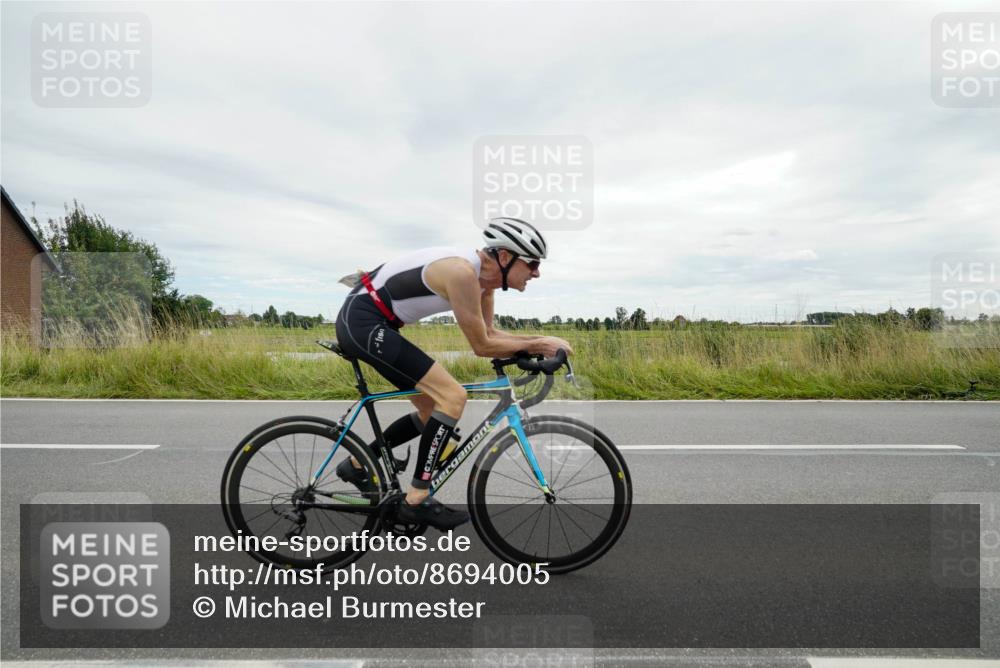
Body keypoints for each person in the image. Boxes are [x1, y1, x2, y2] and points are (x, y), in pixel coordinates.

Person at [333, 217, 573, 530]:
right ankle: (416, 499)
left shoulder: (484, 285)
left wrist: (532, 348)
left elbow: (490, 333)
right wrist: (541, 344)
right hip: (363, 322)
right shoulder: (462, 273)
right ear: (504, 258)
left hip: (375, 322)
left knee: (431, 409)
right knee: (453, 396)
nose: (537, 272)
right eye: (532, 263)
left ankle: (355, 466)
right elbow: (482, 346)